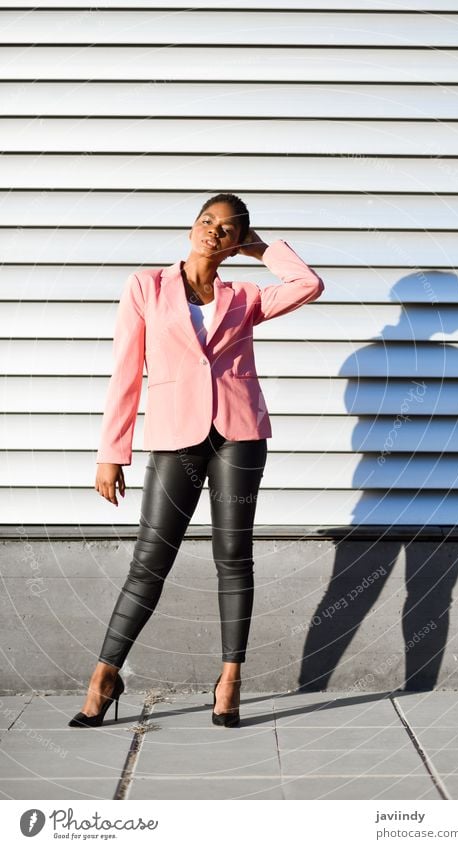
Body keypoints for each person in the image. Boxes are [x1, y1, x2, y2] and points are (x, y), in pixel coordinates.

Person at [68, 192, 325, 729]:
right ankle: (105, 675)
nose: (214, 231)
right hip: (175, 437)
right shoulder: (146, 287)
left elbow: (308, 285)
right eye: (208, 221)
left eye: (228, 229)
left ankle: (230, 679)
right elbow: (125, 373)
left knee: (234, 557)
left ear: (236, 242)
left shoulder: (246, 295)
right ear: (192, 227)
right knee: (149, 562)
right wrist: (111, 453)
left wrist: (261, 250)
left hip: (239, 436)